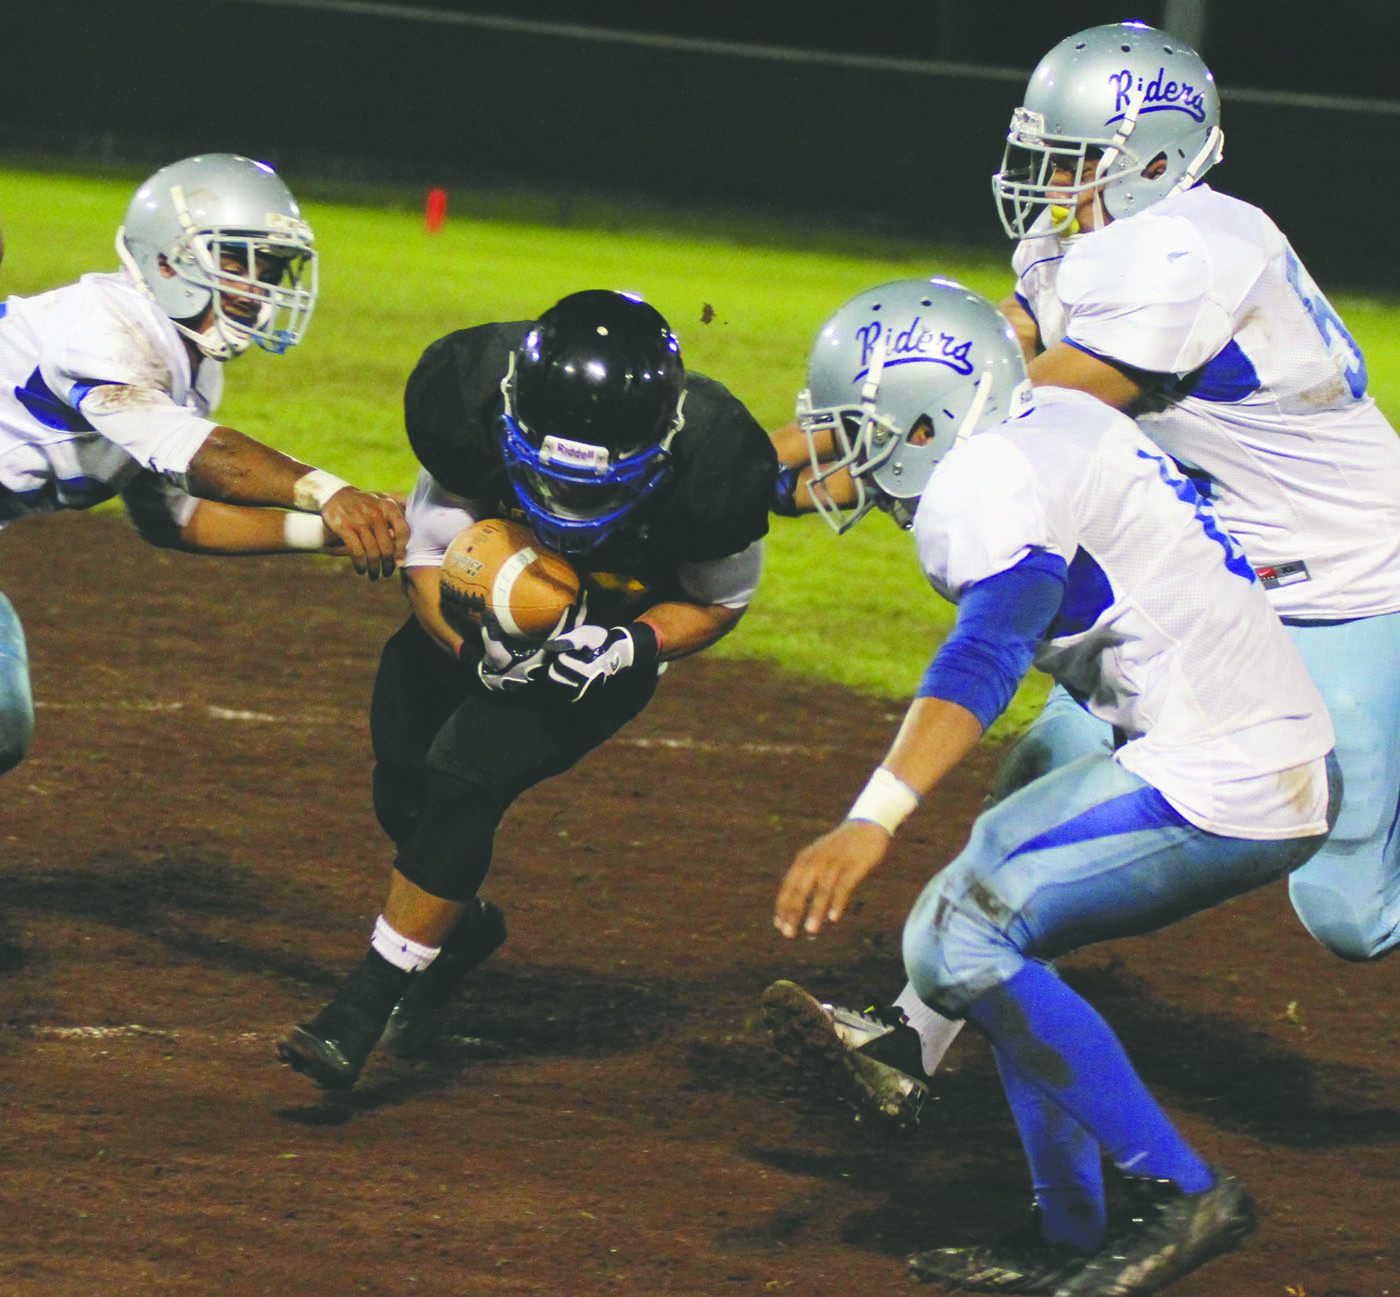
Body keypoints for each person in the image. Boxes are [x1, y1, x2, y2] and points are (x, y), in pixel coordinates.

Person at [770, 17, 1400, 1141]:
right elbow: (973, 353)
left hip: (1353, 582)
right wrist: (785, 447)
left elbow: (998, 405)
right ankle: (906, 1038)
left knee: (1346, 916)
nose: (1045, 183)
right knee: (1047, 767)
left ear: (1152, 157)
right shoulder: (1097, 238)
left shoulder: (1190, 245)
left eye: (1068, 159)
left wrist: (851, 454)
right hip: (1223, 574)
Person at [765, 276, 1338, 1295]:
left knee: (957, 934)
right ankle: (1070, 1237)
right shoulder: (1046, 414)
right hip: (1231, 738)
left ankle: (1183, 1192)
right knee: (980, 930)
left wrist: (871, 819)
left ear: (928, 418)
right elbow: (853, 483)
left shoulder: (985, 486)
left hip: (1225, 767)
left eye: (857, 425)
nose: (844, 447)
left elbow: (985, 654)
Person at [276, 288, 778, 1091]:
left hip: (598, 647)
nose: (570, 503)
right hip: (470, 612)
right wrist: (475, 652)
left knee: (466, 771)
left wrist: (632, 644)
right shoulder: (467, 400)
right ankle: (460, 929)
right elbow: (427, 561)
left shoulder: (716, 463)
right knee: (404, 781)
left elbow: (718, 599)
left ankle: (359, 1009)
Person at [0, 152, 406, 776]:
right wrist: (327, 490)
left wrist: (328, 530)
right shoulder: (105, 323)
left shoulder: (190, 369)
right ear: (170, 260)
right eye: (242, 263)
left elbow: (174, 518)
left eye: (270, 267)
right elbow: (202, 451)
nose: (261, 285)